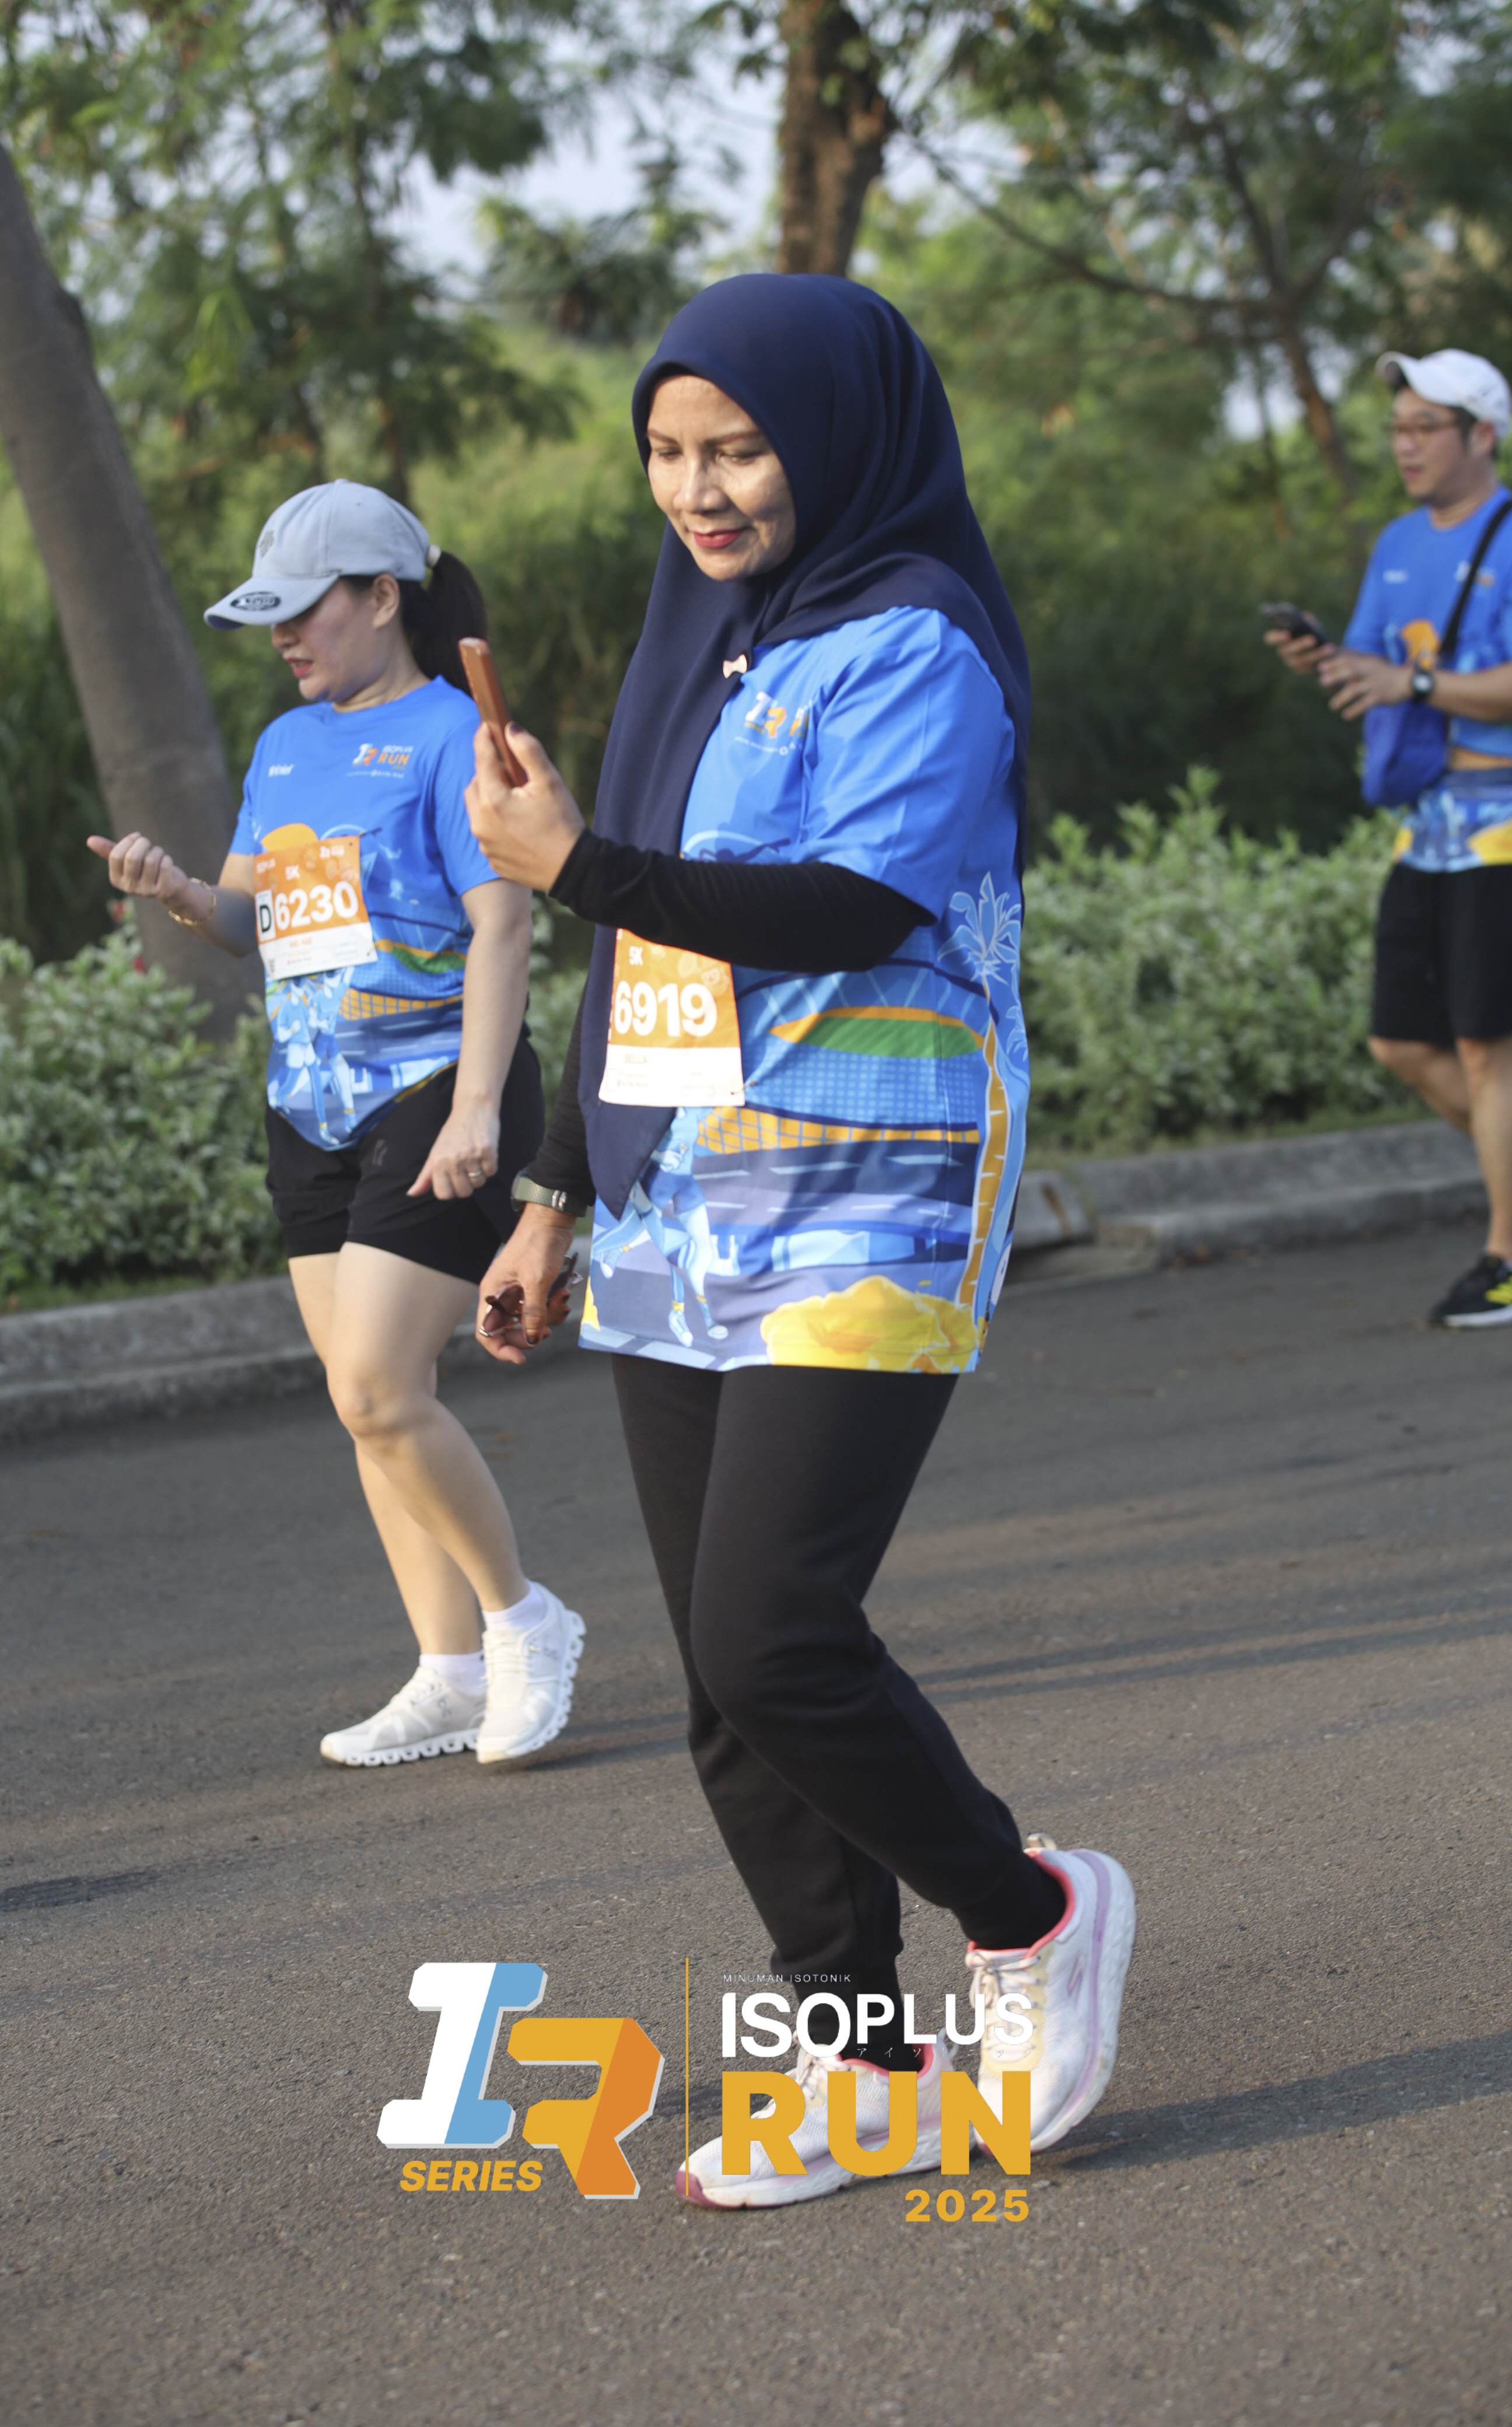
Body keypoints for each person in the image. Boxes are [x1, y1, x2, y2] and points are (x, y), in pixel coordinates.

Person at [464, 275, 1137, 2208]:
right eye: (667, 452)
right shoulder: (701, 635)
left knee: (773, 1630)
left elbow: (851, 900)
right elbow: (644, 948)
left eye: (740, 448)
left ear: (834, 439)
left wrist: (574, 863)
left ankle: (1027, 1910)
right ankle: (858, 2057)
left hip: (869, 1194)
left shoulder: (916, 640)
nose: (700, 489)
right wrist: (558, 1191)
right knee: (721, 1675)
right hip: (679, 1200)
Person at [86, 480, 582, 1769]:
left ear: (381, 597)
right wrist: (173, 889)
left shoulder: (456, 737)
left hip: (435, 1094)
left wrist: (477, 1109)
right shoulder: (285, 746)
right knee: (372, 1406)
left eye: (304, 610)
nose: (284, 637)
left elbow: (503, 926)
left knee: (375, 1384)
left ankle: (525, 1621)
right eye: (270, 617)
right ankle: (447, 1674)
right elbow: (250, 920)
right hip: (308, 1105)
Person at [1268, 348, 1512, 1329]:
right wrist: (1327, 660)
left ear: (1482, 435)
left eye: (1425, 428)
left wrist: (1412, 683)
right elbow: (1373, 670)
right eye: (1398, 428)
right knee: (1402, 1039)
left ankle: (1505, 1259)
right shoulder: (1399, 542)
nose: (1405, 445)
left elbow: (1433, 682)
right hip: (1426, 827)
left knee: (1487, 1047)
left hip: (1501, 822)